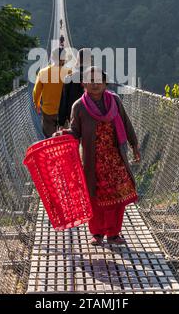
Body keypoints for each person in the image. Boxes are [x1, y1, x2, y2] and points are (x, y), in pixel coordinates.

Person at [54, 66, 141, 246]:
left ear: (105, 82)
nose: (95, 84)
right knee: (95, 197)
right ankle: (97, 233)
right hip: (93, 161)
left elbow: (126, 123)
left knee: (118, 197)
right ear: (83, 83)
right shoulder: (79, 107)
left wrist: (134, 145)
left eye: (99, 81)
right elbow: (75, 132)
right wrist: (63, 134)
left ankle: (114, 233)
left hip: (116, 158)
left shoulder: (115, 101)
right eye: (91, 81)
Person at [33, 48, 70, 138]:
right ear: (64, 58)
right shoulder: (69, 72)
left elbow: (36, 91)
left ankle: (52, 150)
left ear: (52, 57)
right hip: (64, 112)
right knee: (63, 137)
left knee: (49, 137)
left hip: (48, 111)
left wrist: (37, 104)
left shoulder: (43, 72)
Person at [58, 48, 92, 129]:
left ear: (78, 59)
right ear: (90, 60)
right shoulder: (97, 76)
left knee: (76, 138)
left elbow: (64, 101)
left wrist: (61, 123)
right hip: (92, 114)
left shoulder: (69, 77)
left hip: (73, 115)